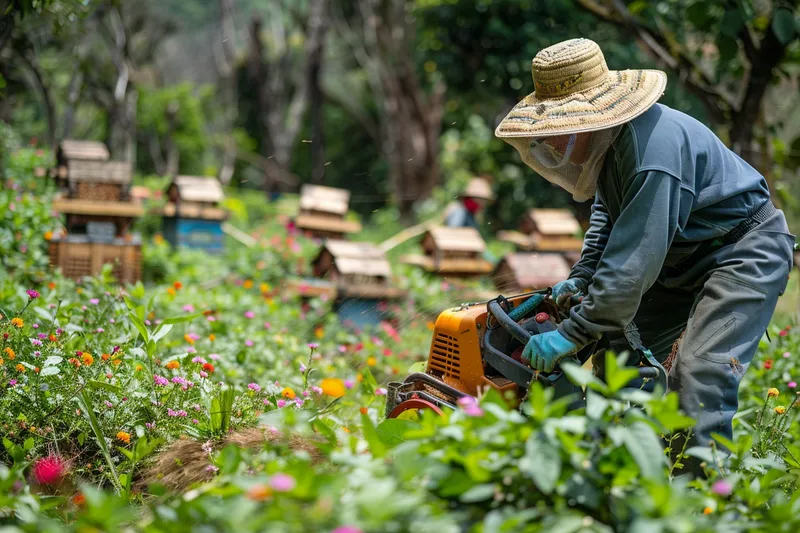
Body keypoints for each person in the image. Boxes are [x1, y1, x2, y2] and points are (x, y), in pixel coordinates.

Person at [495, 38, 794, 462]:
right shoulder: (612, 146)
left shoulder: (654, 155)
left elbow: (632, 265)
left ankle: (705, 500)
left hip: (742, 250)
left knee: (700, 373)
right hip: (681, 257)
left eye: (560, 132)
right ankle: (630, 468)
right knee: (621, 358)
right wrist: (582, 276)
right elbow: (609, 215)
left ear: (587, 120)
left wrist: (570, 333)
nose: (555, 145)